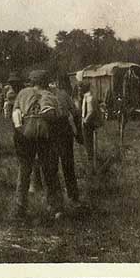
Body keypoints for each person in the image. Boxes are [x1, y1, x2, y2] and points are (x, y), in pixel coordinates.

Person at [11, 70, 64, 220]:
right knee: (50, 171)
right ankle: (56, 208)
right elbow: (59, 116)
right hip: (45, 134)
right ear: (45, 82)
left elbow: (15, 113)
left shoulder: (23, 93)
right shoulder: (51, 95)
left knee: (24, 170)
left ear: (31, 81)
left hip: (26, 133)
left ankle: (20, 208)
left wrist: (20, 130)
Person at [54, 73, 81, 206]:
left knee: (51, 165)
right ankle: (73, 194)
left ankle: (55, 199)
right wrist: (78, 133)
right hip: (64, 129)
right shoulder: (63, 94)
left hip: (51, 129)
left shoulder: (44, 94)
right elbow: (75, 113)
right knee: (68, 164)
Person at [79, 81, 102, 173]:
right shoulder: (87, 97)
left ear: (84, 89)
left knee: (88, 144)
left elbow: (91, 111)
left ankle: (91, 166)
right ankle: (92, 163)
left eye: (81, 88)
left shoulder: (89, 98)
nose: (79, 90)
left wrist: (85, 121)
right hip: (88, 124)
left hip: (89, 125)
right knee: (88, 144)